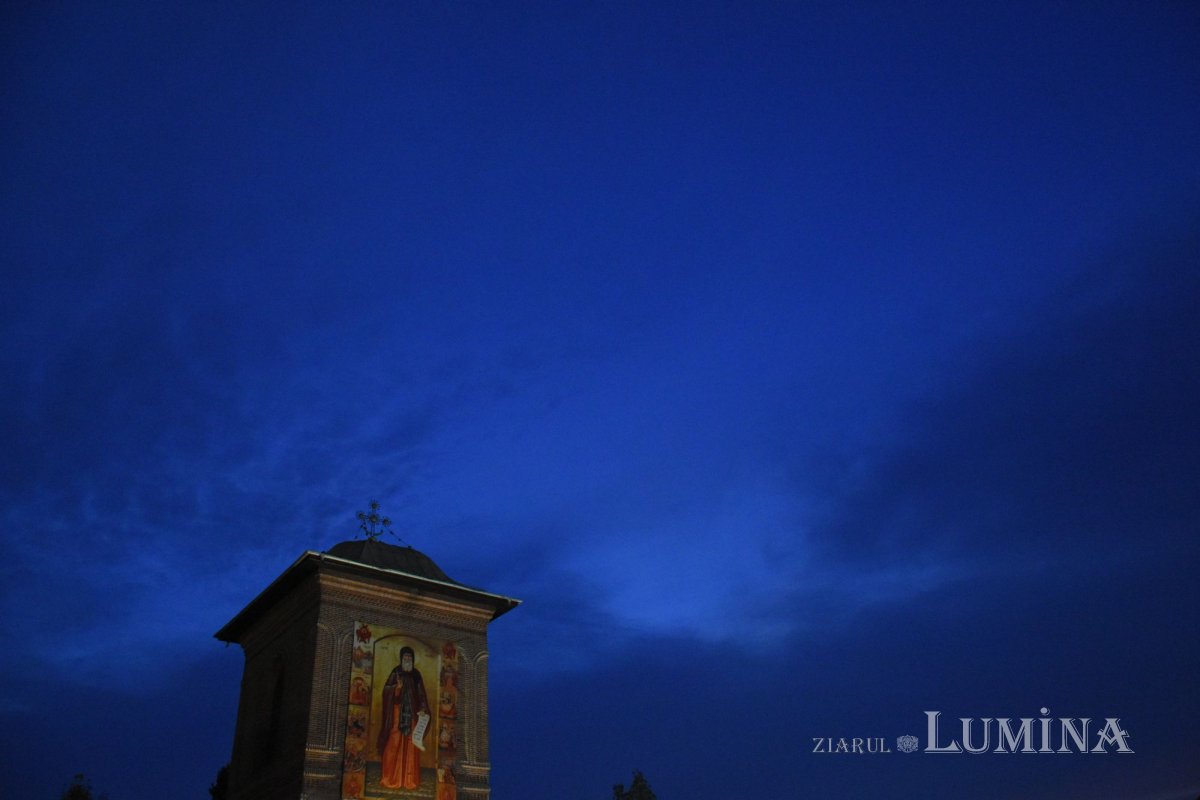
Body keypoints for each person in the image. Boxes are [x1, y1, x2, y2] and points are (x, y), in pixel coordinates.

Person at [378, 646, 430, 789]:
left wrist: (423, 709)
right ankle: (390, 778)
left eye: (410, 658)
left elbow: (421, 695)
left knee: (411, 745)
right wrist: (397, 688)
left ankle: (409, 781)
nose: (407, 660)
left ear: (413, 659)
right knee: (394, 743)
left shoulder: (416, 675)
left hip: (413, 714)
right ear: (401, 659)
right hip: (397, 713)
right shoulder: (396, 672)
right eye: (405, 657)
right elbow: (386, 692)